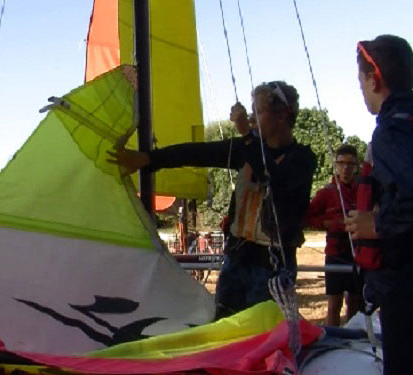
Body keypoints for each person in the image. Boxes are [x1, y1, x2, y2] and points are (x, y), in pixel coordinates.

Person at [108, 81, 316, 318]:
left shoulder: (302, 159)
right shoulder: (245, 149)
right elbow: (198, 152)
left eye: (258, 112)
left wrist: (247, 136)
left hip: (274, 265)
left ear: (281, 117)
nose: (251, 119)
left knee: (265, 333)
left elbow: (271, 177)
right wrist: (148, 159)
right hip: (238, 256)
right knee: (224, 324)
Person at [344, 34, 413, 375]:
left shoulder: (390, 133)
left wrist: (375, 223)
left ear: (375, 80)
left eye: (360, 84)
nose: (362, 93)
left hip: (405, 283)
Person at [305, 144, 361, 326]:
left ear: (356, 166)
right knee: (334, 302)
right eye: (342, 163)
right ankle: (334, 340)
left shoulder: (362, 191)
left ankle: (353, 338)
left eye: (351, 164)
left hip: (358, 252)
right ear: (335, 165)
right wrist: (326, 223)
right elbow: (308, 217)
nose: (346, 168)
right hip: (336, 252)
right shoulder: (326, 193)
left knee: (355, 301)